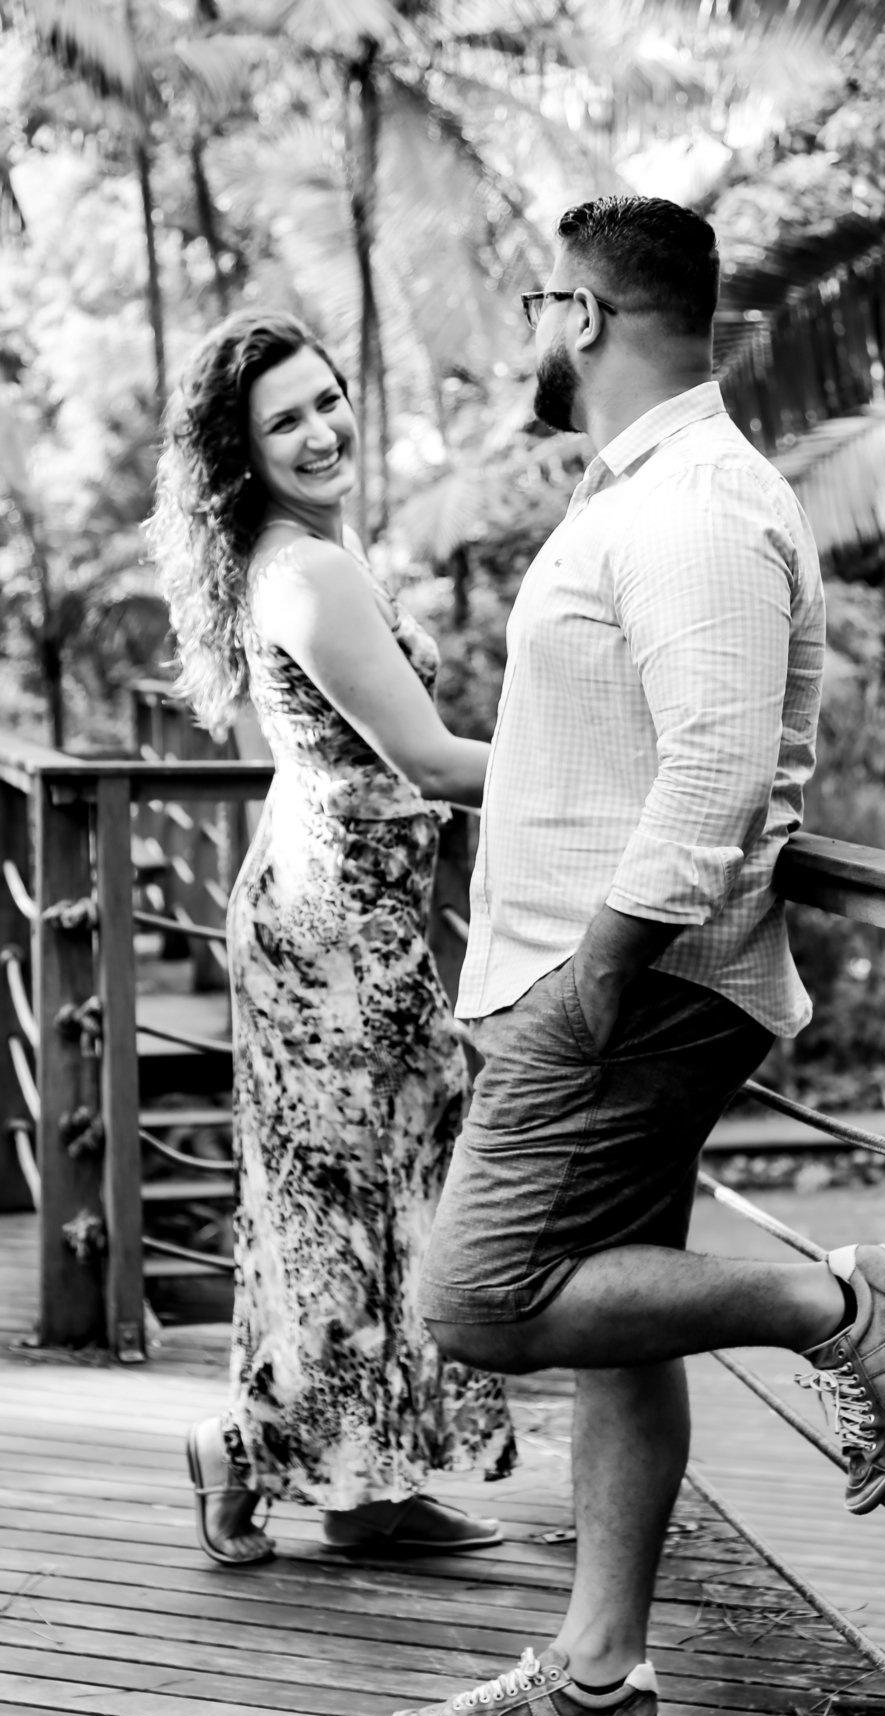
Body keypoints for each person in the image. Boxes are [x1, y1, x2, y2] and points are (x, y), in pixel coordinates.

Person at [389, 196, 885, 1716]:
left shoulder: (695, 505)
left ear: (584, 316)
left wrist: (593, 977)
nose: (531, 338)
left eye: (539, 309)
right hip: (600, 978)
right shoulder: (644, 490)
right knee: (618, 1309)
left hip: (629, 985)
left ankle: (834, 1300)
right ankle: (600, 1672)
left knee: (476, 1297)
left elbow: (714, 777)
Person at [147, 310, 515, 1568]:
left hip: (333, 918)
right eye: (284, 420)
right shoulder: (309, 572)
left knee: (365, 1206)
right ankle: (245, 1451)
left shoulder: (299, 556)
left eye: (327, 400)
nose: (320, 431)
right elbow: (430, 761)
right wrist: (609, 781)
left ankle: (365, 1488)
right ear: (243, 452)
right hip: (333, 941)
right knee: (344, 1216)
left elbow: (320, 759)